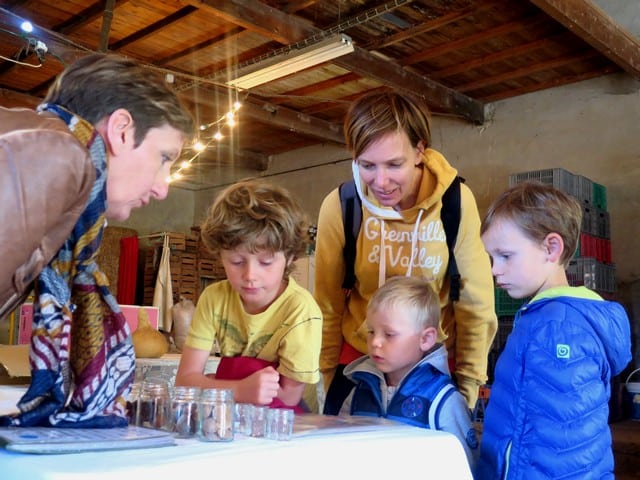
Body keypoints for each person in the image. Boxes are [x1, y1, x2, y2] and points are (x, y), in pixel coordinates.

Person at [0, 53, 194, 427]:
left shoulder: (47, 154)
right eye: (164, 158)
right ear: (122, 129)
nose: (163, 187)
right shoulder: (55, 156)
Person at [315, 90, 497, 413]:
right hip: (358, 367)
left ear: (420, 151)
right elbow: (327, 305)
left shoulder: (454, 202)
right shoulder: (342, 205)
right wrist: (326, 379)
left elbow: (475, 303)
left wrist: (468, 386)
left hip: (432, 370)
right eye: (367, 165)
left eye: (394, 164)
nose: (380, 181)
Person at [476, 181, 631, 479]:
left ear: (551, 248)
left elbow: (561, 443)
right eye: (491, 258)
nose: (495, 269)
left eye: (505, 256)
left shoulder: (557, 328)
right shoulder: (546, 318)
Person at [175, 179, 322, 412]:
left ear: (291, 257)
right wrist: (239, 389)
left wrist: (216, 385)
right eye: (236, 261)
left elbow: (289, 397)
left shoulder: (301, 310)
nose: (250, 275)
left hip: (285, 421)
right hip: (230, 414)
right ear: (219, 254)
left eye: (266, 262)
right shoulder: (214, 298)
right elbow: (185, 381)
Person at [339, 275, 479, 469]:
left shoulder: (443, 400)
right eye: (371, 331)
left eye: (389, 334)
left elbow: (463, 466)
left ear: (426, 339)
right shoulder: (359, 392)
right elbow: (339, 451)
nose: (375, 342)